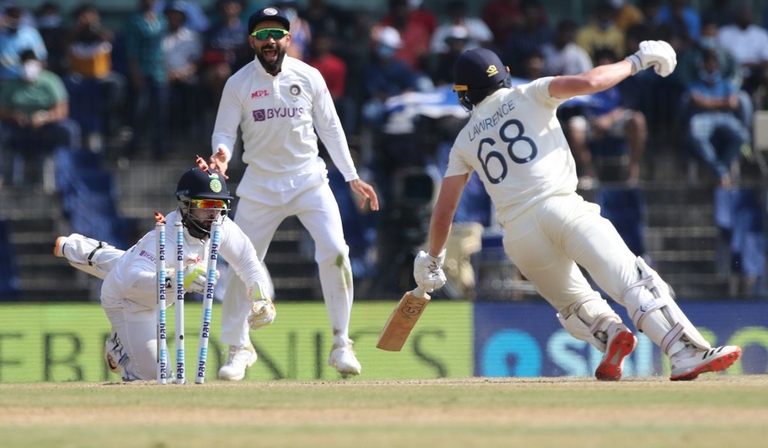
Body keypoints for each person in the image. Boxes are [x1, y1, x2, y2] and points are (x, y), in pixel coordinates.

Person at [412, 44, 742, 381]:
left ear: (465, 94)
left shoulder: (465, 140)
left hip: (520, 238)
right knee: (632, 281)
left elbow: (443, 213)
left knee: (573, 304)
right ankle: (684, 352)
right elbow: (591, 82)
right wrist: (636, 61)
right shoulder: (530, 93)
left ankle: (611, 334)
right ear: (504, 76)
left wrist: (433, 260)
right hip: (562, 208)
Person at [208, 6, 379, 380]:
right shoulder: (238, 83)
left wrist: (351, 177)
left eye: (277, 33)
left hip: (309, 180)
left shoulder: (309, 76)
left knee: (336, 251)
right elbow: (224, 132)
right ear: (252, 41)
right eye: (263, 34)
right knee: (240, 265)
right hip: (260, 184)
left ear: (289, 39)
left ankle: (341, 343)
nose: (270, 40)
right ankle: (239, 349)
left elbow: (331, 129)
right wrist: (221, 157)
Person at [53, 162, 274, 382]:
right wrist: (179, 278)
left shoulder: (221, 225)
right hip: (129, 300)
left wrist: (261, 298)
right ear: (186, 204)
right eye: (205, 204)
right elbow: (132, 280)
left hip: (147, 281)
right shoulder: (164, 238)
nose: (213, 213)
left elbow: (247, 262)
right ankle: (118, 347)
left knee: (124, 260)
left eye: (219, 205)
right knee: (157, 378)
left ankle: (77, 248)